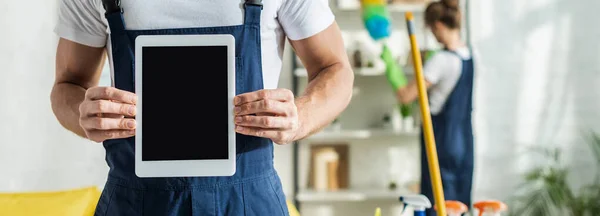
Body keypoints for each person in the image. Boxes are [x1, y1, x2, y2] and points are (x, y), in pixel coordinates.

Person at [50, 0, 354, 215]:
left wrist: (300, 116)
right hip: (136, 202)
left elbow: (335, 68)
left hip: (249, 202)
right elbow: (68, 85)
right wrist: (82, 113)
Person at [381, 0, 475, 215]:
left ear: (439, 26)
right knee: (458, 206)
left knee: (436, 203)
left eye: (432, 29)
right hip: (464, 141)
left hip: (440, 141)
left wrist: (390, 66)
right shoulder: (470, 54)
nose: (432, 34)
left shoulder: (440, 60)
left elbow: (406, 96)